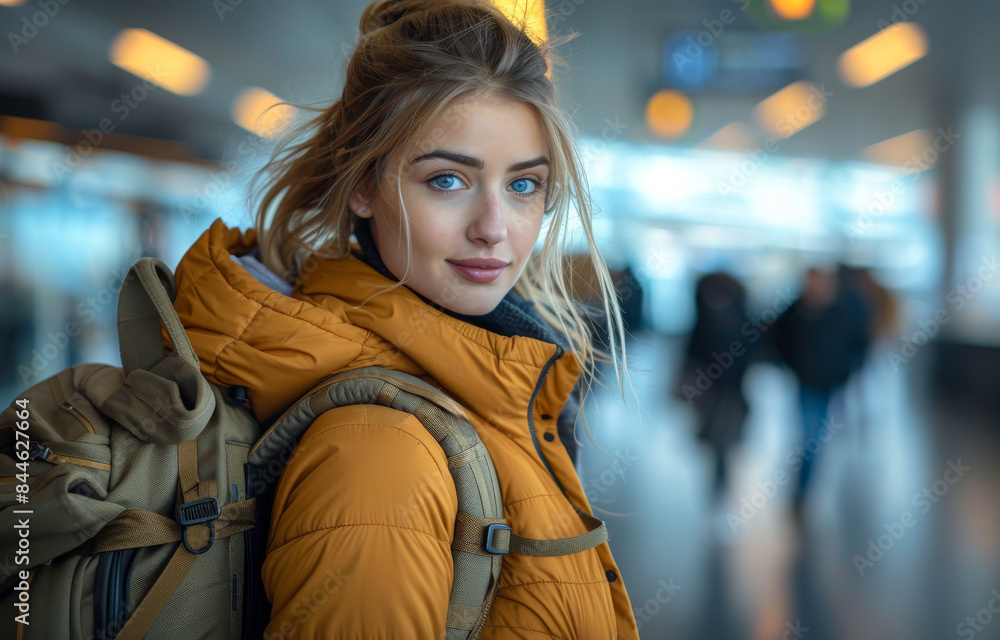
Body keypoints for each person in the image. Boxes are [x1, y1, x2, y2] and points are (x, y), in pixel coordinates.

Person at [165, 1, 639, 637]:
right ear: (363, 184)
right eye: (447, 180)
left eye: (523, 185)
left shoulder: (486, 375)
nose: (494, 229)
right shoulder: (379, 454)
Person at [773, 267, 870, 520]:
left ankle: (804, 488)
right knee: (809, 437)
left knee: (813, 437)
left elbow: (859, 343)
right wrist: (791, 366)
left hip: (831, 384)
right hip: (805, 382)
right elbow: (777, 337)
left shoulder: (844, 311)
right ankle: (802, 489)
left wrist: (848, 372)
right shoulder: (795, 310)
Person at [679, 272, 752, 503]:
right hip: (720, 394)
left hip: (721, 394)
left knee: (720, 446)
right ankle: (718, 492)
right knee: (720, 446)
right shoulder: (733, 316)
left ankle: (718, 492)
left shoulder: (711, 316)